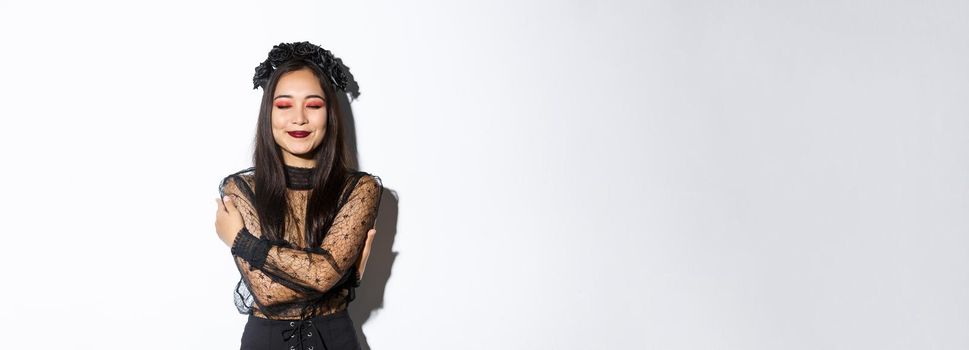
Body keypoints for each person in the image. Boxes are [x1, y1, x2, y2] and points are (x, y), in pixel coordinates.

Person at [213, 41, 382, 350]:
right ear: (268, 114)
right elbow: (268, 295)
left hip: (334, 339)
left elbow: (321, 276)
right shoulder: (240, 189)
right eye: (284, 105)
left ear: (329, 113)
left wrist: (241, 242)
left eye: (313, 105)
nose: (299, 118)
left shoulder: (360, 189)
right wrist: (338, 276)